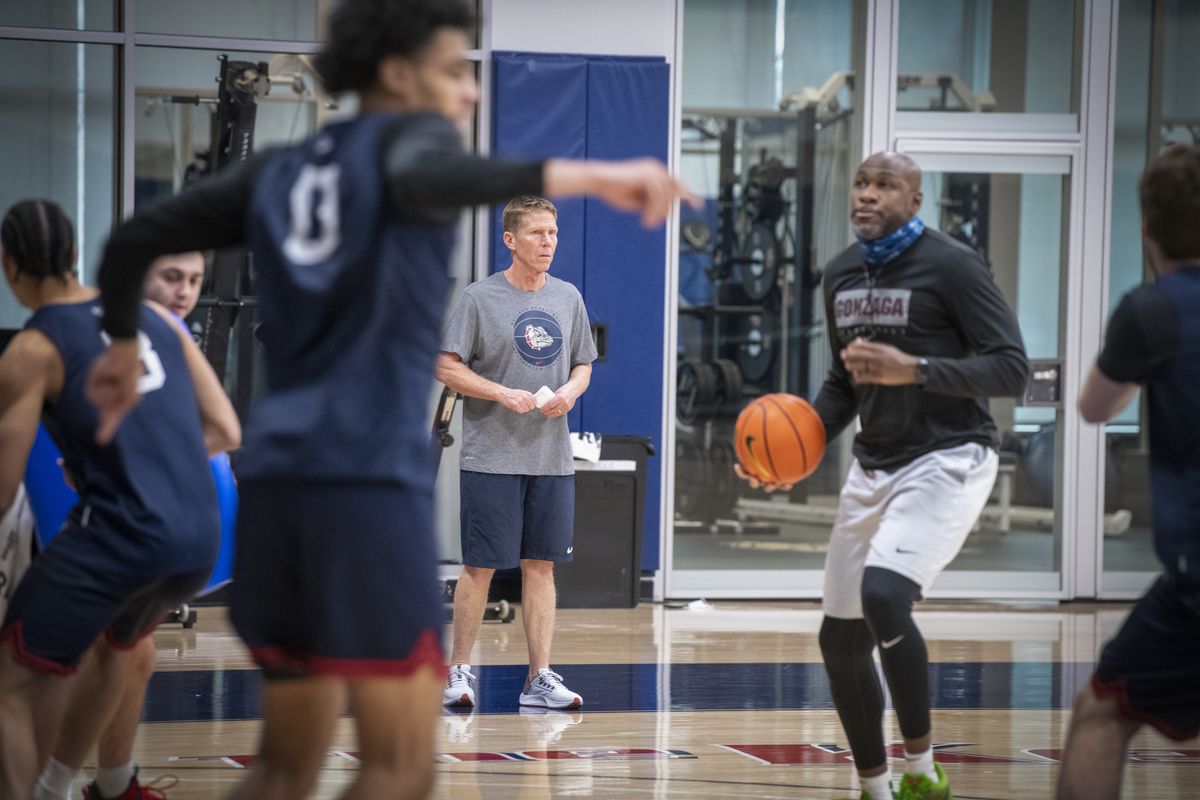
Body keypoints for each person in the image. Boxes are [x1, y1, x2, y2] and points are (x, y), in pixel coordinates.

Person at [83, 2, 694, 797]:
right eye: (452, 72)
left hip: (275, 484)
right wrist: (599, 175)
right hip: (366, 488)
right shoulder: (415, 145)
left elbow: (132, 240)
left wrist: (125, 348)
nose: (469, 95)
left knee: (287, 763)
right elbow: (435, 172)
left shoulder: (279, 171)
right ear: (399, 76)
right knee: (402, 765)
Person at [738, 151, 1028, 800]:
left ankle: (923, 770)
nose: (866, 194)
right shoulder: (841, 274)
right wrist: (786, 452)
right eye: (862, 183)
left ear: (915, 200)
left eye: (884, 185)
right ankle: (873, 784)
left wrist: (917, 369)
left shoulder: (953, 265)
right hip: (876, 465)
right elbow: (844, 385)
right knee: (839, 641)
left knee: (885, 597)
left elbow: (1012, 368)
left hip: (950, 456)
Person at [0, 200, 240, 799]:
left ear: (7, 265)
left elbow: (3, 488)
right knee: (119, 647)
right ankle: (91, 786)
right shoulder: (153, 319)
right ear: (76, 255)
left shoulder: (33, 348)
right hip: (197, 537)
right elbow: (226, 430)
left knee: (14, 676)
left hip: (125, 531)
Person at [31, 250, 215, 800]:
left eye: (195, 281)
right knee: (77, 655)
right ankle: (54, 781)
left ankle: (108, 781)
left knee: (131, 651)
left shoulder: (172, 340)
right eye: (171, 278)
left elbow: (214, 429)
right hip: (86, 521)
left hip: (148, 527)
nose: (184, 291)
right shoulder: (87, 338)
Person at [1057, 144, 1200, 800]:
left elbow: (1093, 407)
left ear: (1146, 229)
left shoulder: (1152, 309)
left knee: (1102, 710)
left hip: (1195, 580)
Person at [438, 195, 593, 711]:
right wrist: (500, 392)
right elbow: (445, 366)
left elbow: (582, 365)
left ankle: (539, 678)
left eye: (552, 233)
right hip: (491, 456)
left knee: (541, 566)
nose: (547, 242)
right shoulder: (480, 299)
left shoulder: (569, 297)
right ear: (510, 240)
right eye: (536, 234)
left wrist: (571, 391)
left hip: (550, 458)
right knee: (480, 567)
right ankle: (458, 671)